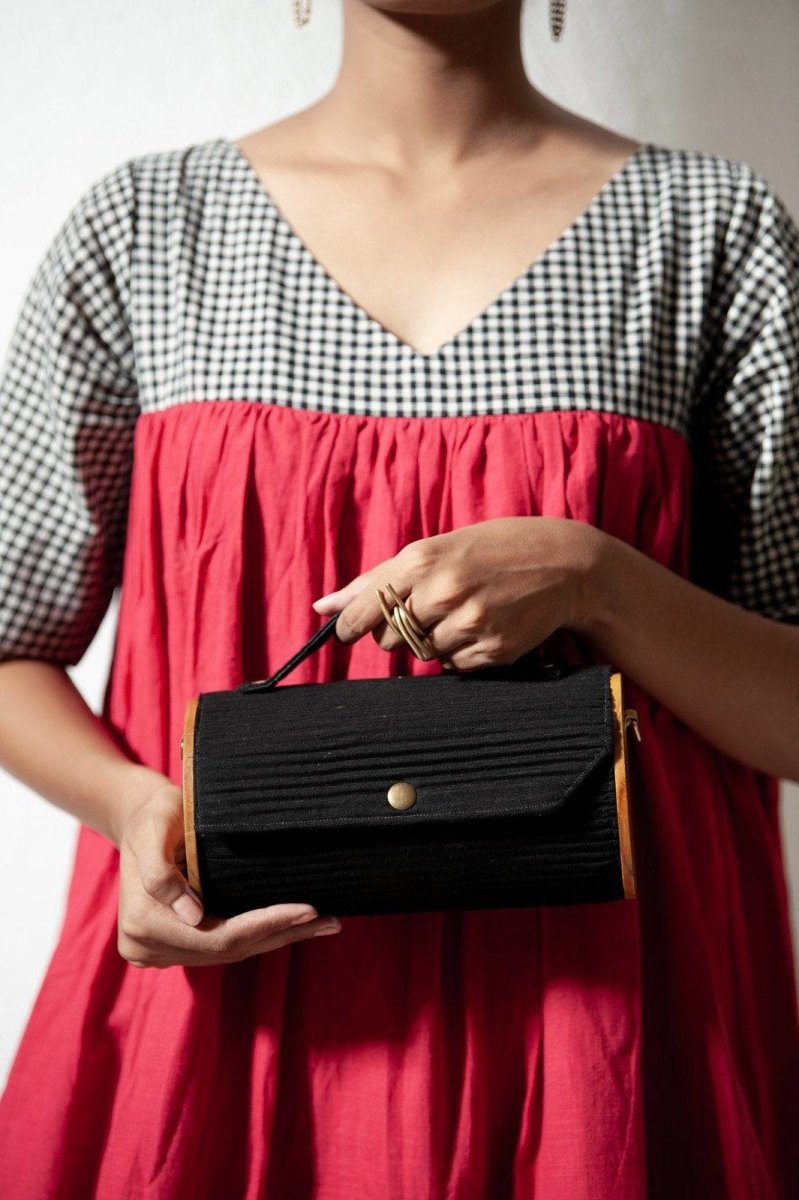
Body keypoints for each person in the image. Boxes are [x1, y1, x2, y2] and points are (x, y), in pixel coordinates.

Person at [0, 1, 798, 1196]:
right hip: (231, 1030)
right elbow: (10, 644)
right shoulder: (148, 234)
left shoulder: (710, 235)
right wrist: (135, 811)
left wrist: (600, 579)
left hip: (614, 1040)